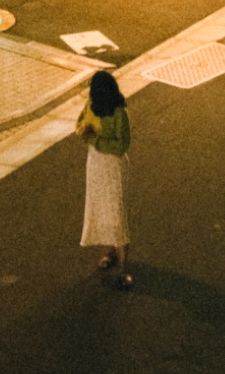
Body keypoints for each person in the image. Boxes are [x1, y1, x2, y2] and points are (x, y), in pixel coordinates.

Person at [76, 71, 132, 289]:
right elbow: (79, 123)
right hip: (95, 165)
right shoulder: (91, 105)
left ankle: (124, 266)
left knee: (116, 211)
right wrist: (83, 131)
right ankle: (111, 251)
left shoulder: (119, 113)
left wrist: (96, 140)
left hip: (113, 166)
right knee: (101, 209)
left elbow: (121, 145)